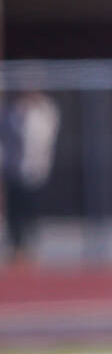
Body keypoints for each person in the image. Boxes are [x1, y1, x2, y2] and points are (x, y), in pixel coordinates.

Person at [1, 90, 61, 266]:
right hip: (14, 169)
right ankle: (16, 248)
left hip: (35, 170)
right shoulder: (11, 112)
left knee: (31, 211)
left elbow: (45, 131)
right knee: (15, 211)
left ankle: (30, 248)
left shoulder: (44, 112)